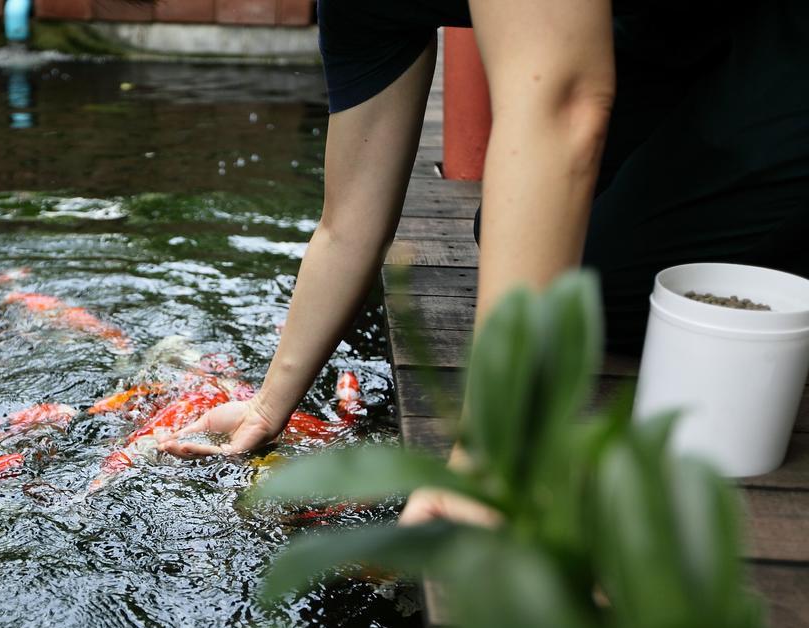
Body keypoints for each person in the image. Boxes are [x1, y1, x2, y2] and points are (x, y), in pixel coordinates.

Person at [159, 0, 809, 525]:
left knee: (596, 281)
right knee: (515, 224)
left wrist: (491, 456)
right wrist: (266, 408)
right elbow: (346, 223)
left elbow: (566, 104)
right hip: (672, 21)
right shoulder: (356, 9)